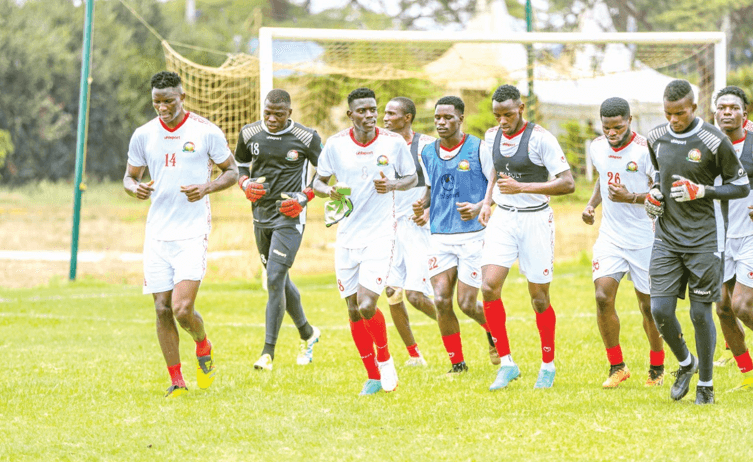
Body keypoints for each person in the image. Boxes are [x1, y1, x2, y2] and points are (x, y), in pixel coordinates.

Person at [123, 71, 238, 398]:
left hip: (192, 231)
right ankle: (177, 381)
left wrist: (208, 186)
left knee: (182, 309)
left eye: (169, 101)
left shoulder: (205, 132)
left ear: (182, 97)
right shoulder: (143, 135)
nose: (162, 108)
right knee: (161, 308)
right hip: (157, 233)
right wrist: (136, 189)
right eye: (156, 102)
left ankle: (203, 344)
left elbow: (232, 171)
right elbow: (129, 177)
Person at [645, 79, 749, 405]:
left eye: (680, 113)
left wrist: (703, 191)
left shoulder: (714, 140)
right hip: (666, 237)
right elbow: (659, 179)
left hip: (705, 238)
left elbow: (740, 186)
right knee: (659, 309)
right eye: (669, 113)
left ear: (694, 107)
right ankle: (686, 363)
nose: (674, 119)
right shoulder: (656, 137)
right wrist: (653, 196)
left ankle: (706, 383)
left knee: (701, 314)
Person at [312, 87, 418, 395]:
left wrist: (393, 184)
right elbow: (318, 181)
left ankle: (385, 360)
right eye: (363, 111)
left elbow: (411, 177)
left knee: (367, 303)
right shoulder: (335, 145)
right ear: (351, 115)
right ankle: (372, 376)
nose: (370, 115)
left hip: (381, 235)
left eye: (373, 109)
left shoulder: (393, 143)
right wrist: (327, 191)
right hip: (346, 237)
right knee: (352, 309)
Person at [477, 84, 575, 390]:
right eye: (497, 115)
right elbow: (494, 169)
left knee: (539, 298)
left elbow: (568, 183)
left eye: (508, 114)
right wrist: (486, 200)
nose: (502, 120)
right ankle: (507, 363)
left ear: (521, 108)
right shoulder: (492, 136)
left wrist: (524, 188)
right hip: (503, 218)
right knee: (489, 286)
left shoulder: (542, 139)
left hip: (535, 220)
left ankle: (547, 365)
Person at [234, 89, 322, 372]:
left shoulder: (307, 137)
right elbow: (239, 167)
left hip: (290, 215)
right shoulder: (249, 134)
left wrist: (304, 197)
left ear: (290, 113)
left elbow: (325, 173)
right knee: (279, 279)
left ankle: (267, 353)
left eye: (278, 114)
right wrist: (245, 184)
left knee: (273, 277)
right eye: (267, 113)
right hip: (260, 216)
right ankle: (308, 333)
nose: (271, 119)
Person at [581, 97, 665, 388]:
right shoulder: (597, 146)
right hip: (611, 237)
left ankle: (657, 366)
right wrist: (592, 205)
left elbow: (660, 194)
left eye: (617, 127)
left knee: (649, 307)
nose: (612, 133)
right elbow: (604, 179)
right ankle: (617, 366)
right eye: (607, 128)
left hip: (645, 238)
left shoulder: (646, 151)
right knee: (603, 296)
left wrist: (630, 197)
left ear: (629, 120)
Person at [413, 96, 497, 375]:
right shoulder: (426, 152)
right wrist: (422, 207)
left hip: (473, 236)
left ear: (461, 119)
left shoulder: (478, 149)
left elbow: (496, 189)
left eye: (448, 118)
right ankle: (457, 364)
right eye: (437, 118)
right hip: (439, 236)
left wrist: (480, 206)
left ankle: (492, 332)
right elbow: (430, 188)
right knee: (440, 300)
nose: (441, 122)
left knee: (467, 304)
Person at [382, 96, 438, 367]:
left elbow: (442, 183)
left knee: (416, 296)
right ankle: (414, 355)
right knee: (392, 292)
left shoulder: (426, 146)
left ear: (407, 118)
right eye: (384, 113)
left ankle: (453, 330)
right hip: (388, 229)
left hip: (419, 227)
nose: (385, 118)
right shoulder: (379, 147)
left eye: (392, 113)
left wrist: (428, 210)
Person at [712, 86, 753, 391]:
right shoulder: (705, 147)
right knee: (723, 308)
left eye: (733, 107)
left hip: (750, 235)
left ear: (744, 114)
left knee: (741, 304)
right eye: (722, 107)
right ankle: (748, 375)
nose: (727, 112)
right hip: (720, 238)